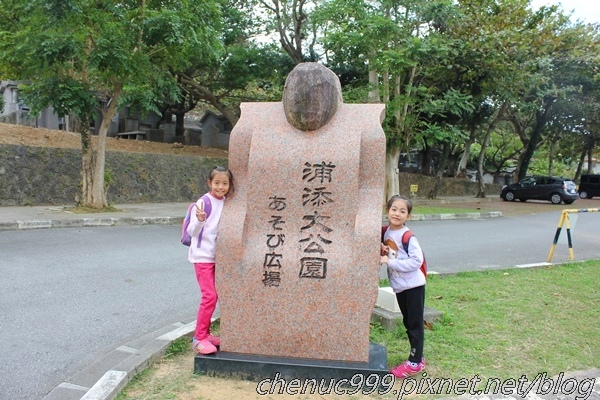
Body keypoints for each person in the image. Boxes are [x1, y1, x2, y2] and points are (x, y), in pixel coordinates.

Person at [188, 166, 234, 355]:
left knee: (216, 296)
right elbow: (192, 232)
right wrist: (199, 220)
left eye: (225, 183)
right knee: (209, 297)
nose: (220, 187)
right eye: (217, 183)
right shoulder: (204, 201)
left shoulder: (226, 202)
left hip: (218, 258)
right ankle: (198, 338)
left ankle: (206, 334)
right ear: (209, 183)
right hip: (203, 257)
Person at [380, 194, 426, 378]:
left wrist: (390, 262)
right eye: (394, 209)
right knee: (409, 322)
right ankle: (418, 357)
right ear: (387, 211)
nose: (397, 213)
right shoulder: (387, 232)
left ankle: (415, 363)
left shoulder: (408, 236)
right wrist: (384, 249)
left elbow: (416, 261)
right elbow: (393, 250)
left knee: (414, 324)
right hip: (400, 286)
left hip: (413, 286)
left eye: (402, 211)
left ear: (408, 216)